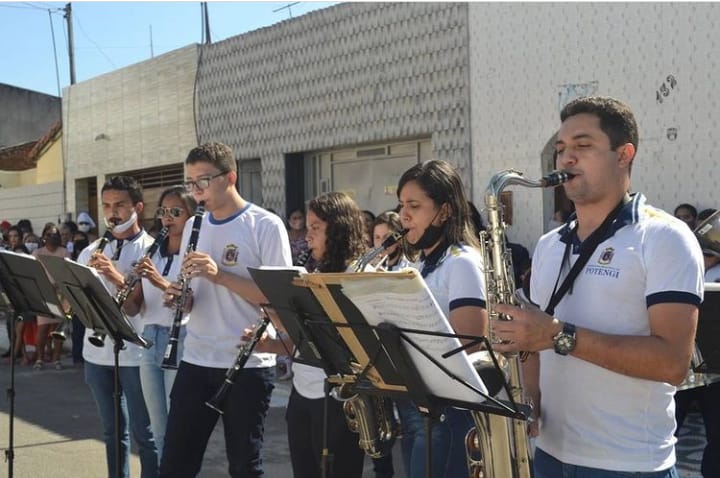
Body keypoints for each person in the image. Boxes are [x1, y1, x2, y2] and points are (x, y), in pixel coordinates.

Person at [493, 96, 704, 477]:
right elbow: (534, 344)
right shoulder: (549, 244)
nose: (566, 159)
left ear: (624, 155)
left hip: (629, 463)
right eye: (561, 149)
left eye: (583, 146)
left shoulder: (664, 237)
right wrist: (531, 396)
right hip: (550, 454)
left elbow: (674, 364)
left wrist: (558, 335)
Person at [158, 142, 291, 478]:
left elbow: (281, 300)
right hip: (197, 358)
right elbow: (194, 295)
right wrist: (180, 298)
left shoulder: (265, 225)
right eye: (190, 182)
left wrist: (220, 275)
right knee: (174, 464)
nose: (195, 190)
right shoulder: (193, 225)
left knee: (244, 467)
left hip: (247, 363)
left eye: (202, 181)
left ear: (230, 177)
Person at [253, 191, 368, 478]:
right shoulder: (313, 272)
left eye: (316, 227)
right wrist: (271, 343)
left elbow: (351, 344)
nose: (307, 236)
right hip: (302, 392)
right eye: (308, 227)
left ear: (339, 229)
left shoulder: (356, 275)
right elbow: (306, 340)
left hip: (338, 398)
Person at [395, 159, 488, 478]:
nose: (403, 215)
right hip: (422, 408)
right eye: (401, 205)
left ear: (444, 211)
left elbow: (468, 345)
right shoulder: (420, 265)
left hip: (450, 414)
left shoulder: (461, 262)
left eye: (414, 206)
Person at [78, 175, 158, 478]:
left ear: (138, 207)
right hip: (96, 354)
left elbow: (136, 307)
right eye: (107, 206)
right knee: (112, 432)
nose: (112, 213)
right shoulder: (91, 250)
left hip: (135, 356)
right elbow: (76, 304)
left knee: (145, 433)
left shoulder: (152, 250)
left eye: (120, 205)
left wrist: (114, 274)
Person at [121, 185, 197, 457]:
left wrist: (156, 279)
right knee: (159, 430)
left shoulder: (194, 255)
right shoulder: (152, 252)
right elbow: (133, 309)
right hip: (150, 338)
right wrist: (125, 288)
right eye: (163, 211)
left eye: (176, 212)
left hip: (181, 340)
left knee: (180, 427)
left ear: (191, 216)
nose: (167, 218)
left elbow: (186, 303)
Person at [674, 212, 720, 478]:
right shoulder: (681, 267)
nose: (706, 256)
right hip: (682, 367)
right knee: (667, 428)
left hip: (714, 371)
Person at [32, 223, 71, 370]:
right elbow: (33, 273)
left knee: (57, 329)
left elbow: (68, 272)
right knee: (42, 329)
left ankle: (57, 359)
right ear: (43, 237)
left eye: (55, 234)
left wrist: (58, 285)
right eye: (49, 234)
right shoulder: (37, 253)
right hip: (44, 294)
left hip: (61, 295)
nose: (52, 237)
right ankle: (39, 358)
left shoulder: (64, 252)